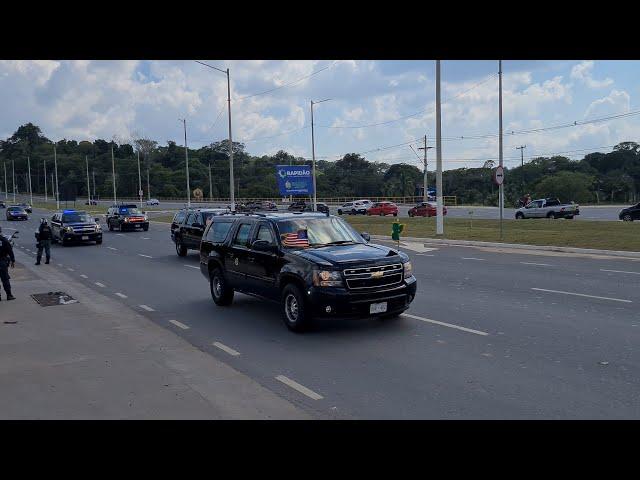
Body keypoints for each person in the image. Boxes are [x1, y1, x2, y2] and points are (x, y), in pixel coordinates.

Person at [0, 225, 16, 301]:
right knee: (5, 279)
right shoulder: (4, 240)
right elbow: (10, 251)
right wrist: (13, 260)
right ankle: (9, 295)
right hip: (2, 262)